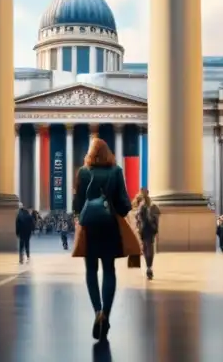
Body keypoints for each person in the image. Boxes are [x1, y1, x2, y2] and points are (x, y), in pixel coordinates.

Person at [73, 137, 133, 343]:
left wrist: (83, 216)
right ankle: (106, 313)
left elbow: (77, 204)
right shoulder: (116, 171)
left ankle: (97, 310)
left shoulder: (82, 172)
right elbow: (124, 203)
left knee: (90, 270)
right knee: (109, 269)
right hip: (109, 226)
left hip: (89, 226)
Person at [134, 188, 160, 279]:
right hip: (150, 229)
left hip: (144, 229)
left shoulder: (141, 204)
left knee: (145, 247)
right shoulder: (152, 205)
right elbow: (157, 216)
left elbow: (137, 217)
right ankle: (149, 267)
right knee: (149, 247)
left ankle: (148, 266)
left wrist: (137, 227)